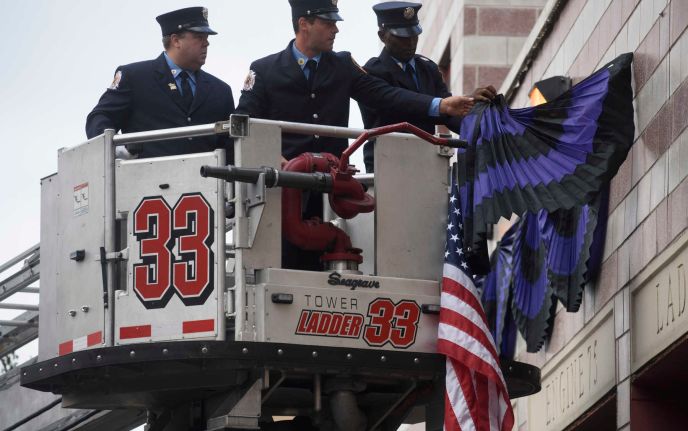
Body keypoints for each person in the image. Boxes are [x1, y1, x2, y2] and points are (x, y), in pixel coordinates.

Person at [235, 0, 474, 271]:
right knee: (286, 270)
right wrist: (271, 157)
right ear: (304, 23)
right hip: (283, 192)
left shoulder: (342, 64)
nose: (336, 29)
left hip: (333, 190)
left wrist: (439, 105)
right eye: (328, 23)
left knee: (333, 270)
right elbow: (244, 122)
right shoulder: (265, 70)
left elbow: (383, 95)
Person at [359, 1, 497, 172]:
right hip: (389, 164)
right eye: (402, 37)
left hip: (426, 162)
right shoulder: (373, 72)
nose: (410, 43)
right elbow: (400, 104)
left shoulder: (427, 68)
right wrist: (444, 105)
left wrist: (478, 115)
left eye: (414, 35)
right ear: (382, 36)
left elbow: (449, 115)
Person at [86, 7, 234, 160]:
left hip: (206, 181)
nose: (206, 43)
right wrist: (116, 148)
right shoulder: (135, 77)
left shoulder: (220, 91)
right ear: (176, 40)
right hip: (147, 179)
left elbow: (231, 148)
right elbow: (100, 117)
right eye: (199, 37)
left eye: (206, 37)